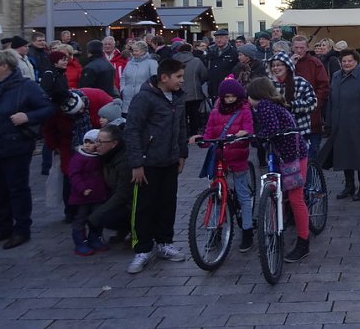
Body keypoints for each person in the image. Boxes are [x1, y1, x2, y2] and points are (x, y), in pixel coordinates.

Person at [123, 58, 188, 274]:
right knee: (144, 206)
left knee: (167, 203)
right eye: (178, 77)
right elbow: (132, 130)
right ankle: (142, 248)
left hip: (169, 160)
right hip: (148, 162)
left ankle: (164, 242)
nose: (181, 80)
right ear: (164, 77)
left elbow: (181, 127)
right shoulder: (144, 98)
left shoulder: (178, 98)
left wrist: (182, 153)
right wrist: (136, 163)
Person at [247, 77, 311, 262]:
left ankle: (303, 242)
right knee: (286, 196)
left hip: (292, 157)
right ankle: (282, 233)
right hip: (289, 154)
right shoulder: (274, 103)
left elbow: (272, 130)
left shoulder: (264, 106)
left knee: (295, 198)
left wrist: (255, 138)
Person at [0, 50, 54, 248]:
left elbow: (47, 108)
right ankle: (2, 226)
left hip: (16, 145)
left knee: (17, 188)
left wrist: (27, 117)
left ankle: (22, 229)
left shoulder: (26, 87)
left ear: (4, 66)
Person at [191, 77, 254, 251]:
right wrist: (202, 140)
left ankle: (247, 230)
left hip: (237, 157)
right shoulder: (215, 112)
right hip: (219, 158)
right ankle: (215, 231)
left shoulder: (244, 110)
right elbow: (209, 132)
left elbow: (249, 129)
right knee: (216, 197)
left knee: (243, 195)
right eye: (227, 97)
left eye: (233, 96)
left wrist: (243, 135)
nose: (230, 100)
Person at [326, 48, 360, 201]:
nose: (346, 63)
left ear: (356, 62)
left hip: (358, 123)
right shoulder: (335, 76)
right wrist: (329, 121)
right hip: (340, 123)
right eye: (344, 61)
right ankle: (349, 185)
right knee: (344, 155)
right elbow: (331, 100)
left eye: (350, 61)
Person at [67, 129, 109, 256]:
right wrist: (82, 188)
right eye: (86, 142)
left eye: (91, 142)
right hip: (82, 197)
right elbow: (74, 175)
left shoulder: (101, 158)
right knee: (80, 219)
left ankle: (94, 238)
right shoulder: (79, 158)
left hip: (98, 194)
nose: (87, 145)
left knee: (97, 218)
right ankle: (80, 242)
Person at [87, 124, 132, 243]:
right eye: (96, 141)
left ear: (114, 144)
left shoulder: (124, 162)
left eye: (101, 142)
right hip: (118, 199)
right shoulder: (106, 156)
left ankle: (132, 230)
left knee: (105, 217)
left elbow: (123, 194)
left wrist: (98, 214)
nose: (97, 145)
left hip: (131, 204)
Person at [268, 52, 318, 151]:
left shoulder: (300, 82)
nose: (275, 68)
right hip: (277, 131)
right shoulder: (269, 84)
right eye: (273, 66)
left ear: (287, 66)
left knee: (298, 163)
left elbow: (312, 103)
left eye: (279, 65)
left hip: (299, 129)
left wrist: (291, 106)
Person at [290, 35, 330, 158]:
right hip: (291, 117)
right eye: (296, 47)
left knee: (311, 155)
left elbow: (323, 86)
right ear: (292, 47)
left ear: (307, 48)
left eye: (302, 48)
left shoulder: (315, 63)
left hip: (312, 118)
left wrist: (314, 103)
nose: (299, 51)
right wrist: (291, 65)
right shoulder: (285, 63)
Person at [173, 43, 209, 137]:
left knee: (182, 115)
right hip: (195, 92)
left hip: (178, 92)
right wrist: (198, 82)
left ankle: (184, 134)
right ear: (191, 50)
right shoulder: (197, 61)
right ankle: (194, 133)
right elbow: (204, 75)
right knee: (194, 115)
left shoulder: (173, 61)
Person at [119, 41, 158, 115]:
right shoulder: (129, 63)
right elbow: (123, 77)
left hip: (144, 97)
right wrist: (123, 90)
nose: (134, 53)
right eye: (133, 50)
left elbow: (155, 80)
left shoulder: (151, 62)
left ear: (143, 51)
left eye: (136, 51)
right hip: (127, 98)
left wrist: (150, 92)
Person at [205, 29, 239, 100]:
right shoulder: (211, 52)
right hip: (214, 88)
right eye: (217, 38)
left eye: (221, 37)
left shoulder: (234, 53)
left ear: (227, 38)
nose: (218, 40)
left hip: (228, 88)